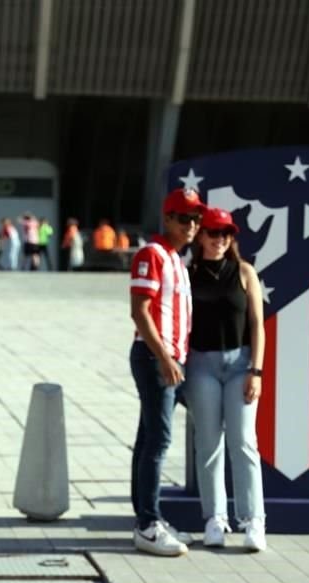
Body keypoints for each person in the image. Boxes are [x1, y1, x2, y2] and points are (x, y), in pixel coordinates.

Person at [186, 207, 267, 551]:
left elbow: (257, 325)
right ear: (201, 236)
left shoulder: (245, 272)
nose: (219, 240)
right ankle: (215, 518)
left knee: (244, 441)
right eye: (213, 233)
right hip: (201, 363)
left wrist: (257, 371)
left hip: (240, 363)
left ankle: (253, 520)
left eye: (225, 234)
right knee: (207, 442)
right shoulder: (188, 273)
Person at [128, 187, 203, 556]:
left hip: (169, 358)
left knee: (148, 439)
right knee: (158, 441)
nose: (192, 225)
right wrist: (164, 357)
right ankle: (148, 523)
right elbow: (139, 311)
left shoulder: (175, 258)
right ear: (168, 218)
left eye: (196, 219)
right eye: (185, 218)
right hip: (155, 357)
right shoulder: (153, 254)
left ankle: (146, 518)